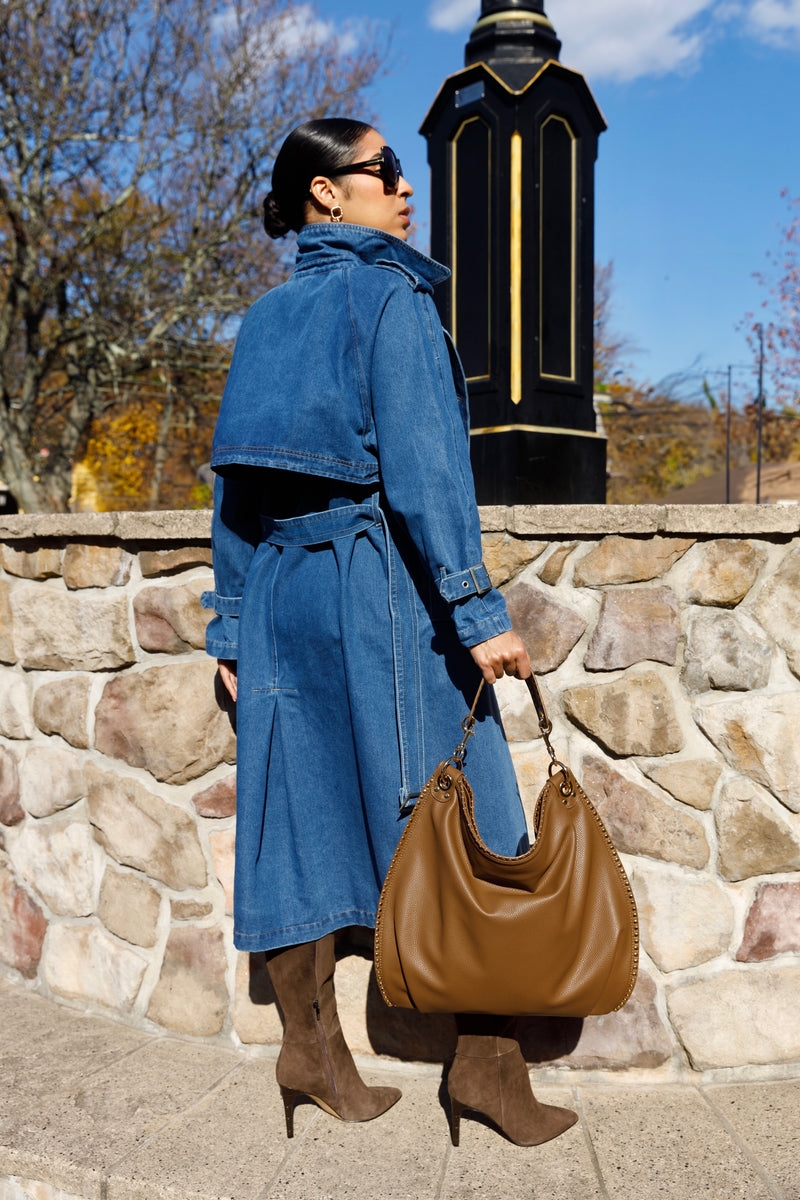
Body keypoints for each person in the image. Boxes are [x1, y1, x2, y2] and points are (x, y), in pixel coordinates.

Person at [203, 118, 577, 1147]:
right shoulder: (393, 298)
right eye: (384, 171)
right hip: (380, 589)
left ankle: (310, 1052)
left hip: (281, 595)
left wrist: (231, 625)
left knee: (297, 815)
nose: (405, 188)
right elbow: (425, 478)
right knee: (471, 809)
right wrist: (478, 612)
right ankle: (485, 1073)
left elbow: (233, 495)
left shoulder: (263, 320)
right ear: (327, 193)